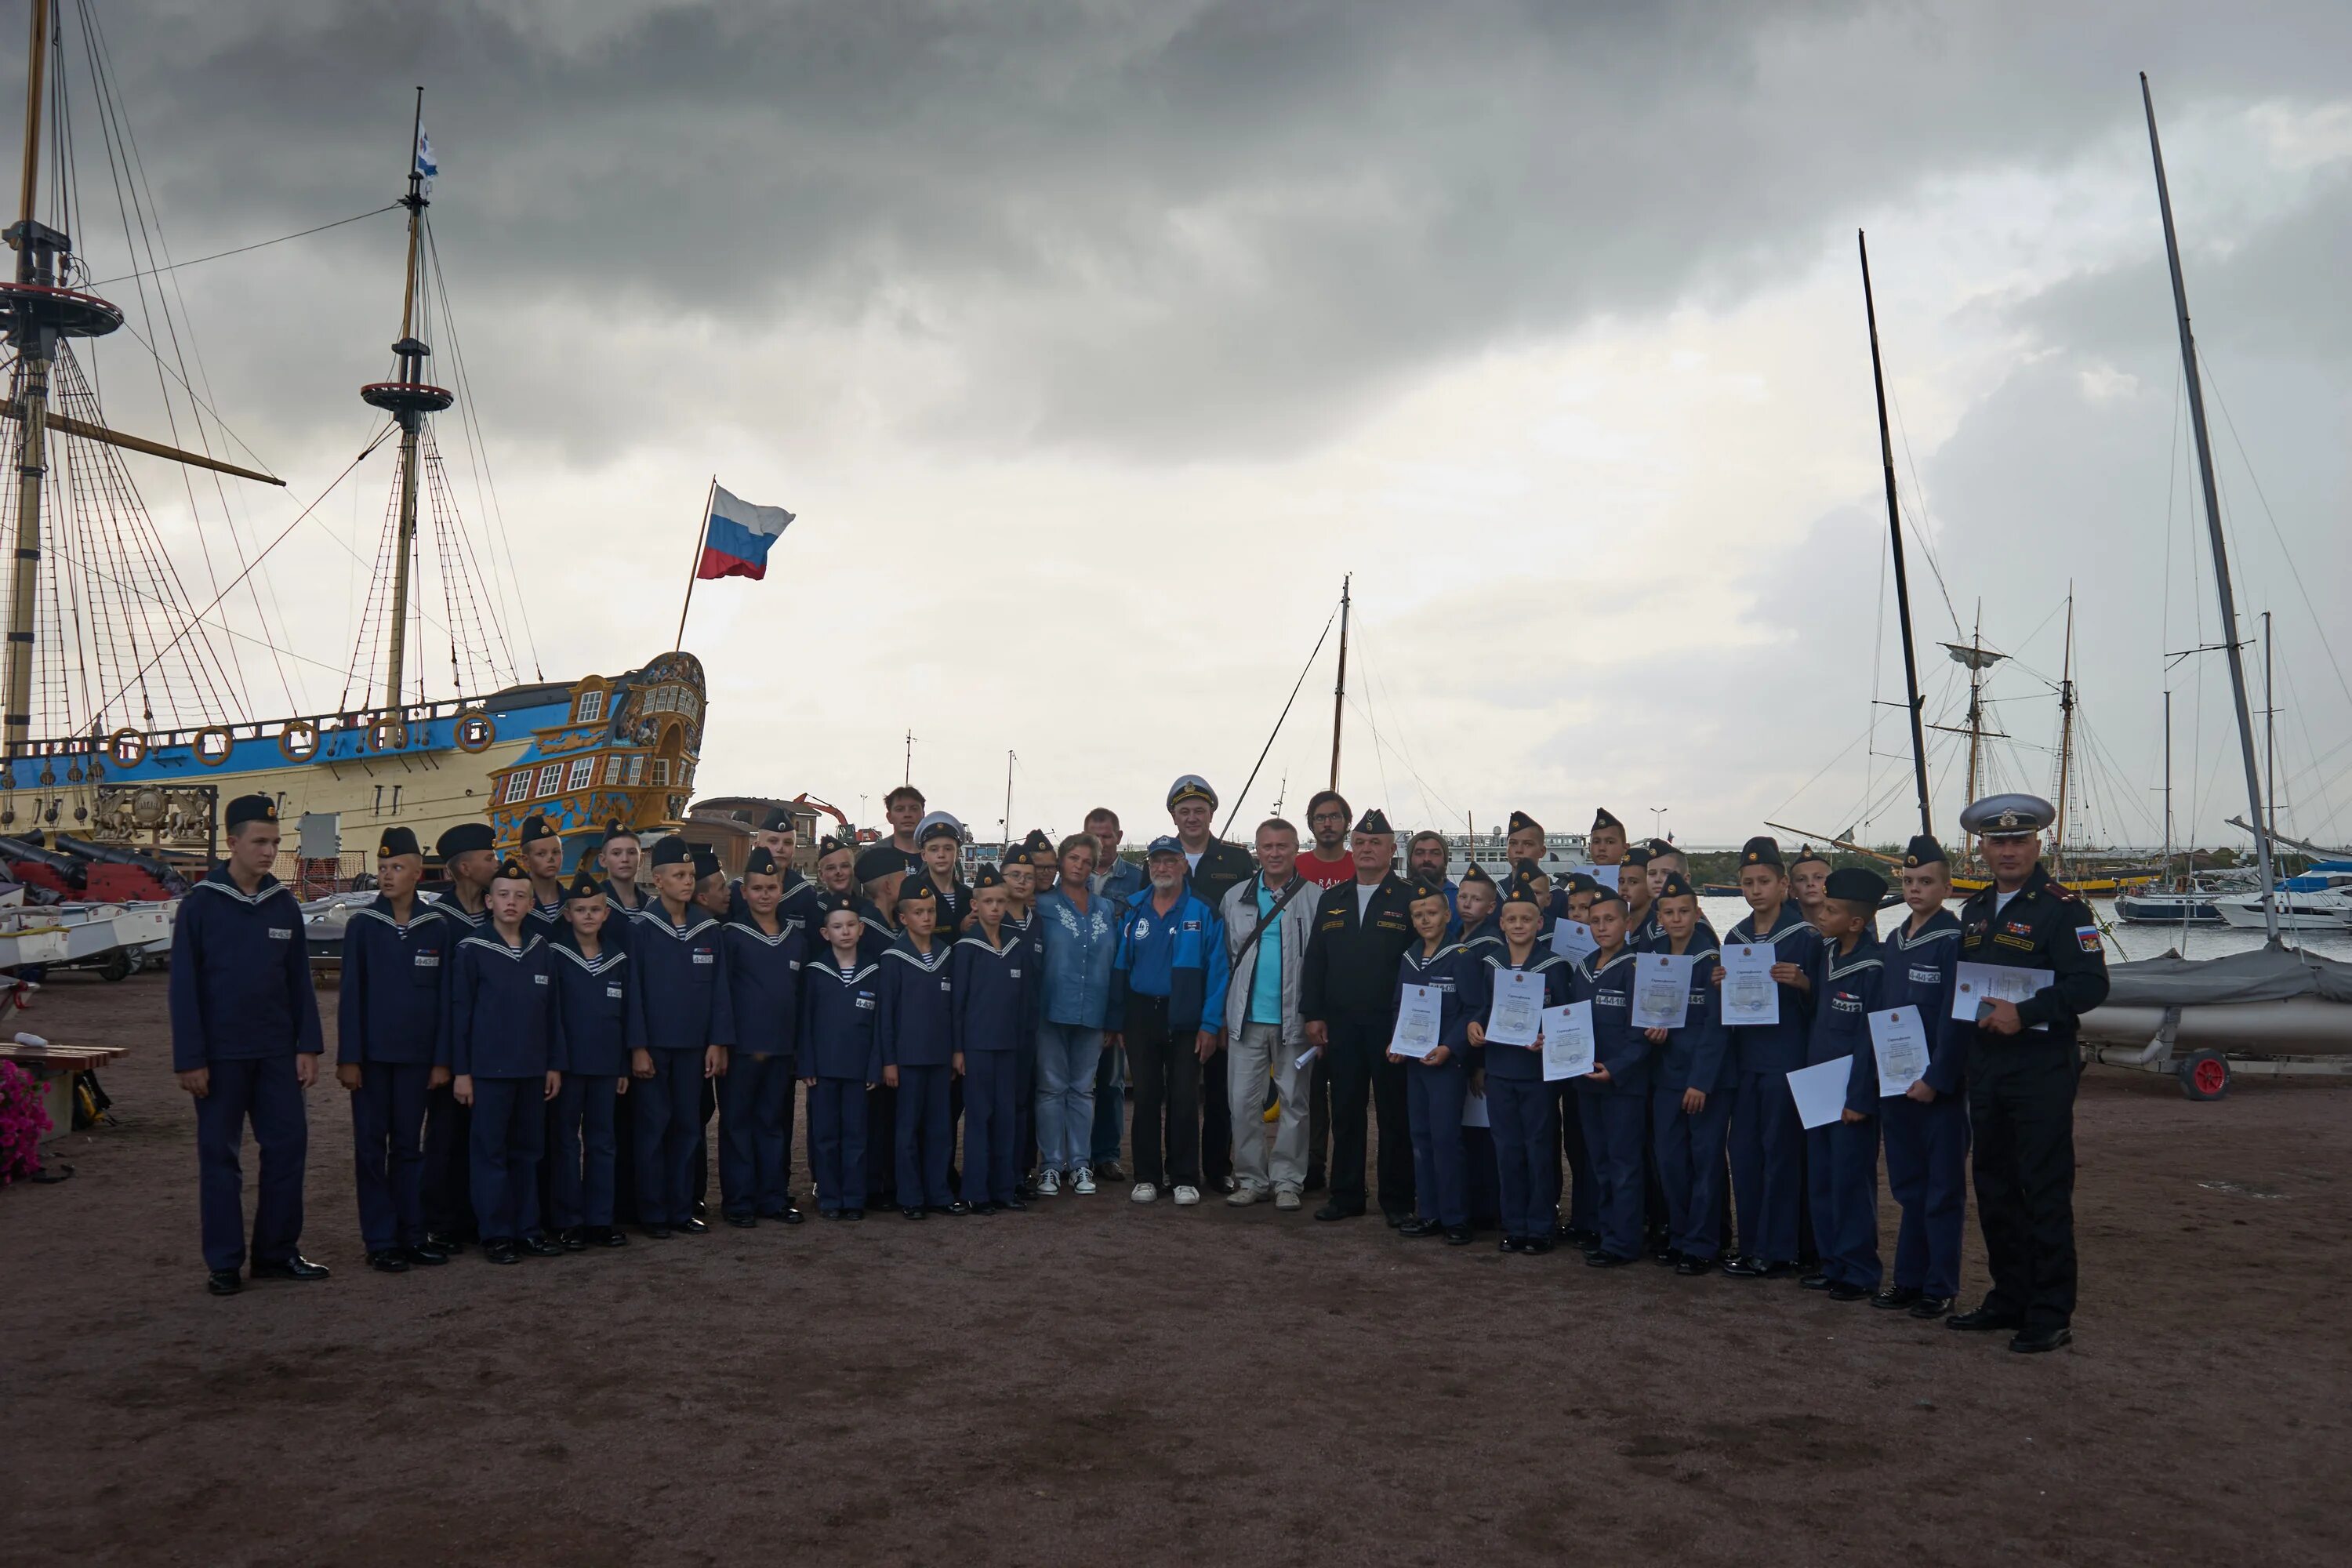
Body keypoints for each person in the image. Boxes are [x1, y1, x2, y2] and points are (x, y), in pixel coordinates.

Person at [1946, 793, 2108, 1355]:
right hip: (1987, 1066)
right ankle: (2008, 1295)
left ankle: (2049, 1311)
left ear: (2038, 844)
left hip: (2040, 1068)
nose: (2008, 850)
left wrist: (2028, 1013)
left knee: (2042, 1187)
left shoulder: (2062, 908)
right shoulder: (1975, 911)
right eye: (1998, 841)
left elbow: (2091, 986)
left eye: (2019, 840)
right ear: (1982, 848)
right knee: (1993, 1185)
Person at [170, 793, 328, 1296]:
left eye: (275, 843)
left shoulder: (283, 903)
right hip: (219, 1058)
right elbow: (183, 990)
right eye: (260, 842)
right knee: (220, 1158)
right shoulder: (200, 907)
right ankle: (223, 1263)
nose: (269, 852)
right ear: (232, 842)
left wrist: (308, 1045)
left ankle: (277, 1254)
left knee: (288, 1150)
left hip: (278, 1054)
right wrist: (190, 1058)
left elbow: (299, 982)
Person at [336, 826, 452, 1272]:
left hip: (418, 1060)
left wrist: (442, 1059)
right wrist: (349, 1057)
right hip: (370, 1060)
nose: (387, 875)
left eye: (397, 867)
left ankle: (413, 1235)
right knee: (370, 1148)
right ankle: (380, 1240)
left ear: (418, 873)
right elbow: (350, 995)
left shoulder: (436, 927)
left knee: (409, 1148)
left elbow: (445, 1000)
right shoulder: (364, 926)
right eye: (382, 868)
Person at [1299, 808, 1417, 1225]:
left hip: (1391, 1025)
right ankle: (1346, 1194)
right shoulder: (1333, 898)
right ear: (1353, 848)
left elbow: (1425, 963)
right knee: (1346, 1112)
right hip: (1342, 1025)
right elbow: (1315, 961)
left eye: (1376, 843)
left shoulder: (1411, 898)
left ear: (1391, 849)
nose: (1367, 849)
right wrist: (1312, 1014)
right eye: (1361, 843)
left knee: (1393, 1115)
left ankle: (1398, 1200)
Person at [448, 856, 564, 1264]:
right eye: (503, 896)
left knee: (528, 1152)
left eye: (519, 896)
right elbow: (460, 1015)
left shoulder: (541, 950)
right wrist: (462, 1072)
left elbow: (552, 1014)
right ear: (489, 902)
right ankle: (496, 1233)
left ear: (531, 904)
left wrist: (553, 1064)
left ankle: (528, 1229)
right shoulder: (471, 950)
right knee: (490, 1153)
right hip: (489, 1072)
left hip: (532, 1071)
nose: (511, 902)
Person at [1104, 837, 1229, 1207]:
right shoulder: (1134, 910)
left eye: (1170, 861)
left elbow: (1218, 971)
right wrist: (1118, 1020)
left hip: (1187, 1016)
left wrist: (1210, 1024)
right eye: (1156, 862)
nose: (1162, 868)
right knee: (1144, 1097)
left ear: (1184, 865)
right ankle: (1146, 1176)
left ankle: (1184, 1176)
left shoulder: (1203, 910)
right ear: (1149, 866)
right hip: (1142, 1015)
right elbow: (1120, 967)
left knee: (1185, 1097)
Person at [1717, 837, 1820, 1279]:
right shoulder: (1736, 936)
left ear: (1784, 885)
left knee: (1781, 1154)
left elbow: (1829, 1006)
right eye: (1747, 882)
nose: (1756, 890)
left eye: (1764, 881)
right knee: (1744, 1153)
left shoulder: (1807, 937)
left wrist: (1803, 984)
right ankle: (1754, 1242)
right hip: (1746, 1059)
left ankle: (1780, 1248)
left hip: (1787, 1057)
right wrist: (1718, 984)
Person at [1875, 835, 1969, 1319]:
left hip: (1938, 1089)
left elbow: (1957, 1019)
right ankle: (1908, 1279)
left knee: (1942, 1189)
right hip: (1896, 1083)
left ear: (1947, 888)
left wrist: (1937, 1077)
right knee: (1908, 1187)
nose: (1915, 889)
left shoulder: (1954, 942)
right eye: (1909, 881)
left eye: (1926, 881)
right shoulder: (1893, 940)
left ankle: (1940, 1285)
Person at [630, 836, 732, 1239]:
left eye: (690, 875)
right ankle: (653, 1213)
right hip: (655, 1049)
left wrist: (717, 1041)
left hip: (694, 1049)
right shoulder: (642, 931)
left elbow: (719, 991)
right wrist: (637, 1047)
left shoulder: (709, 930)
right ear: (657, 881)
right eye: (678, 875)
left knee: (689, 1128)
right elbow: (634, 993)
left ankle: (681, 1207)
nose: (687, 882)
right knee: (654, 1129)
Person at [1466, 873, 1571, 1254]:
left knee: (1540, 1149)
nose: (1519, 926)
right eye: (1511, 919)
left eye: (1526, 919)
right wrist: (1475, 1027)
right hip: (1500, 1068)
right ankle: (1514, 1224)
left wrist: (1549, 1038)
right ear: (1502, 922)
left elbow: (1565, 1016)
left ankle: (1542, 1226)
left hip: (1538, 1074)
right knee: (1507, 1149)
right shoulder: (1492, 963)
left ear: (1539, 922)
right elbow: (1483, 1006)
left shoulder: (1554, 965)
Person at [1218, 817, 1319, 1210]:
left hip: (1295, 1020)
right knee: (1242, 1103)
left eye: (1283, 846)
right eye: (1267, 847)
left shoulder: (1314, 898)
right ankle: (1250, 1178)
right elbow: (1228, 957)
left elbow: (1320, 962)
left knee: (1294, 1103)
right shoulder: (1235, 898)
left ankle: (1288, 1181)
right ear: (1257, 850)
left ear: (1296, 849)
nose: (1275, 853)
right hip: (1246, 1018)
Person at [1798, 866, 1889, 1303]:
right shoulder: (1826, 952)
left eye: (1830, 909)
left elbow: (1871, 1037)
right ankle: (1831, 1261)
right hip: (1819, 1081)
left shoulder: (1873, 966)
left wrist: (1860, 1096)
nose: (1820, 912)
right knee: (1822, 1177)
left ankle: (1859, 1269)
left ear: (1856, 921)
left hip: (1850, 1089)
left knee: (1852, 1180)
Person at [1167, 775, 1253, 1192]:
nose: (1192, 817)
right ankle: (1177, 1168)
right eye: (1184, 811)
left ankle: (1218, 1167)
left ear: (1212, 813)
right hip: (1176, 989)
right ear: (1173, 816)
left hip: (1224, 985)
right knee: (1177, 1088)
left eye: (1199, 810)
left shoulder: (1237, 862)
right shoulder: (1162, 860)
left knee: (1221, 1088)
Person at [1646, 872, 1731, 1276]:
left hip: (1701, 1080)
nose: (1676, 918)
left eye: (1684, 911)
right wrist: (1652, 1034)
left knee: (1706, 1162)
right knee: (1670, 1162)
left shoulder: (1711, 960)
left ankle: (1703, 1243)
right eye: (1668, 912)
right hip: (1665, 1075)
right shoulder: (1655, 954)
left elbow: (1717, 1027)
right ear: (1658, 916)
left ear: (1698, 913)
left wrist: (1701, 1081)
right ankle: (1679, 1236)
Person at [547, 867, 637, 1250]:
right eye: (580, 909)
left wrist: (621, 1066)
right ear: (567, 914)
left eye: (594, 909)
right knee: (565, 1143)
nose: (587, 916)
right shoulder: (554, 956)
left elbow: (625, 1016)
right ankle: (568, 1220)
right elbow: (550, 1016)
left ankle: (600, 1219)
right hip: (568, 1067)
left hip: (605, 1067)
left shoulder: (618, 958)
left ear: (606, 914)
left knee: (603, 1142)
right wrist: (555, 1064)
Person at [420, 820, 497, 1254]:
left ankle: (476, 1216)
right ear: (464, 868)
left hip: (491, 1046)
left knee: (484, 1135)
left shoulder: (497, 913)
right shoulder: (437, 920)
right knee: (445, 1134)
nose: (496, 863)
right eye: (488, 858)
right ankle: (441, 1221)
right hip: (450, 1045)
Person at [718, 848, 804, 1228]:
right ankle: (738, 1202)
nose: (765, 894)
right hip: (742, 1049)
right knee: (738, 1124)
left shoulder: (795, 937)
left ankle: (772, 1197)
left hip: (781, 1047)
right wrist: (722, 1041)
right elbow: (720, 994)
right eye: (757, 888)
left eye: (771, 887)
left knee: (773, 1124)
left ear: (780, 888)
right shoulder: (731, 936)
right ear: (745, 892)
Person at [1388, 877, 1478, 1243]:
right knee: (1421, 1138)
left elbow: (1473, 1008)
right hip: (1414, 1062)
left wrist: (1451, 1047)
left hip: (1445, 1064)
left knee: (1446, 1139)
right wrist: (1395, 1041)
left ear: (1447, 915)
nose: (1425, 920)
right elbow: (1399, 1005)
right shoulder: (1409, 956)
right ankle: (1429, 1213)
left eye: (1432, 913)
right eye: (1418, 915)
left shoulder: (1461, 957)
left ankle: (1455, 1218)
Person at [1036, 833, 1117, 1196]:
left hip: (1094, 1010)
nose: (1080, 865)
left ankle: (1081, 1164)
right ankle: (1052, 1165)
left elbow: (1116, 963)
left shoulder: (1106, 909)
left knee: (1083, 1090)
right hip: (1051, 1008)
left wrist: (1114, 1016)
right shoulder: (1043, 905)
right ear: (1061, 859)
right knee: (1052, 1089)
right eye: (1074, 858)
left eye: (1087, 861)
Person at [1573, 888, 1648, 1267]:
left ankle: (1624, 1241)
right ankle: (1606, 1230)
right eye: (1595, 921)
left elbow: (1644, 1033)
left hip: (1623, 1085)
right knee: (1599, 1161)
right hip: (1587, 1079)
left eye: (1610, 920)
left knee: (1624, 1164)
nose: (1602, 927)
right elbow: (1569, 1021)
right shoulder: (1584, 967)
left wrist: (1617, 1069)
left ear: (1628, 923)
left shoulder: (1637, 968)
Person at [878, 873, 960, 1219]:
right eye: (918, 912)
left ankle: (939, 1192)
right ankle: (910, 1196)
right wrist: (889, 1061)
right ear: (903, 917)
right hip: (908, 1060)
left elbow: (955, 1010)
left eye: (931, 911)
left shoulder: (946, 954)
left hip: (940, 1058)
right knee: (907, 1130)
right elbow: (886, 1016)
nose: (927, 918)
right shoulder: (894, 958)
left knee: (941, 1128)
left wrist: (957, 1051)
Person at [800, 896, 882, 1219]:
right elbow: (804, 1022)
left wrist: (875, 1065)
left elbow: (880, 1026)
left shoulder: (874, 970)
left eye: (850, 925)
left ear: (861, 929)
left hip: (859, 1070)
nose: (845, 932)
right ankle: (830, 1197)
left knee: (856, 1135)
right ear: (825, 933)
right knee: (825, 1135)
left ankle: (854, 1198)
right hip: (823, 1070)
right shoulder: (815, 971)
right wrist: (806, 1063)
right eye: (837, 927)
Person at [953, 865, 1029, 1213]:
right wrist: (958, 1048)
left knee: (1007, 1117)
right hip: (977, 1046)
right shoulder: (967, 947)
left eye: (1001, 901)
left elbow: (1024, 998)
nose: (996, 908)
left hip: (1010, 1045)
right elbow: (958, 1003)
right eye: (988, 902)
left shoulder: (1016, 945)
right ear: (976, 905)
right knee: (980, 1117)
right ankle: (977, 1191)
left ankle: (1005, 1187)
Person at [1082, 807, 1139, 1180]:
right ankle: (1073, 1154)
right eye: (1094, 836)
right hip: (1079, 991)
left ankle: (1106, 1154)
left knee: (1112, 1080)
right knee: (1073, 1081)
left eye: (1107, 835)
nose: (1102, 843)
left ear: (1119, 836)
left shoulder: (1137, 879)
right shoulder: (1070, 876)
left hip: (1117, 990)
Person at [1002, 829, 1056, 1195]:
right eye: (1016, 875)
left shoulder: (1037, 922)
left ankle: (1022, 1170)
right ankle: (998, 1172)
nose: (1025, 881)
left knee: (1026, 1100)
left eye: (1030, 875)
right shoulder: (989, 922)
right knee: (998, 1104)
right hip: (995, 1028)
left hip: (1030, 1026)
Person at [1297, 790, 1356, 889]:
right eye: (1320, 818)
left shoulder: (1361, 868)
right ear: (1311, 823)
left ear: (1347, 821)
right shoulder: (1294, 868)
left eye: (1335, 817)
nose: (1327, 824)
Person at [520, 813, 567, 935]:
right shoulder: (517, 905)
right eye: (541, 854)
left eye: (556, 852)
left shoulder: (573, 901)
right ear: (526, 860)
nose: (550, 858)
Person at [1404, 830, 1457, 920]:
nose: (1427, 859)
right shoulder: (1396, 896)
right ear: (1410, 860)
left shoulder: (1459, 901)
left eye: (1435, 853)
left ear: (1445, 861)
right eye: (1420, 853)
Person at [881, 784, 927, 871]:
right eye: (900, 809)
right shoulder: (872, 856)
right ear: (889, 817)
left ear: (923, 815)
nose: (907, 815)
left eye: (914, 809)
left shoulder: (939, 857)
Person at [1790, 848, 1833, 929]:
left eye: (1818, 877)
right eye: (1801, 879)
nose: (1810, 884)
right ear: (1792, 890)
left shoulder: (1846, 929)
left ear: (1832, 884)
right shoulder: (1786, 931)